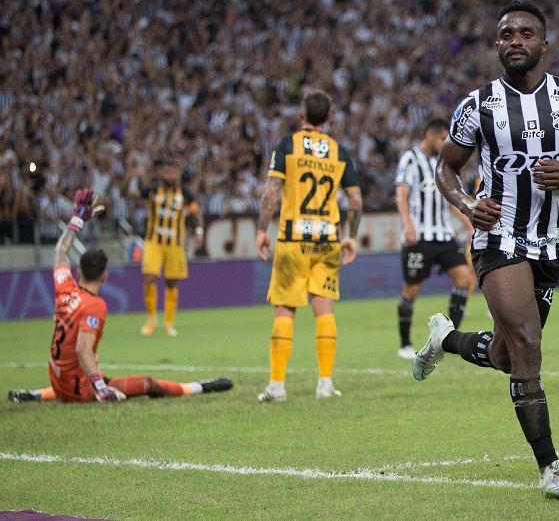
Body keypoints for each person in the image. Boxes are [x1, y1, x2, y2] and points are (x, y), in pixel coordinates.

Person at [413, 0, 559, 499]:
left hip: (550, 242)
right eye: (506, 34)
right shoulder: (478, 106)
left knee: (504, 353)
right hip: (498, 237)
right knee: (528, 345)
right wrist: (464, 203)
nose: (515, 40)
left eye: (525, 33)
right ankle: (551, 470)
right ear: (497, 45)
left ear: (544, 44)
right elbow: (446, 167)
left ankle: (445, 339)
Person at [7, 188, 232, 404]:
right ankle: (199, 386)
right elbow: (82, 349)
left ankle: (37, 394)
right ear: (104, 277)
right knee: (147, 383)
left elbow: (60, 251)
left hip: (58, 382)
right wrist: (100, 388)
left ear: (78, 272)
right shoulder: (95, 306)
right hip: (79, 390)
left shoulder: (65, 288)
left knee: (80, 371)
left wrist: (77, 220)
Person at [255, 89, 362, 402]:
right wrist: (351, 236)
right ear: (329, 118)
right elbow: (354, 198)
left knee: (285, 311)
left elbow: (272, 191)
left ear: (302, 115)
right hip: (327, 239)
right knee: (324, 311)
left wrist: (262, 230)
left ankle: (276, 387)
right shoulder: (339, 151)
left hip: (292, 239)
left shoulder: (287, 145)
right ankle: (325, 385)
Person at [394, 118, 476, 359]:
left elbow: (452, 202)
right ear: (431, 135)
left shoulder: (444, 164)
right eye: (443, 138)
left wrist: (469, 225)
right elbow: (401, 194)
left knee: (463, 277)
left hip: (443, 234)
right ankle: (405, 344)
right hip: (419, 236)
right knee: (411, 289)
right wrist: (408, 223)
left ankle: (450, 338)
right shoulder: (410, 159)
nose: (445, 143)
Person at [127, 156, 205, 337]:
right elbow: (127, 194)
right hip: (154, 242)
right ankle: (151, 319)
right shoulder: (153, 191)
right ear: (161, 173)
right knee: (149, 278)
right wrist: (130, 178)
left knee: (172, 282)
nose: (170, 174)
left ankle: (169, 324)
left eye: (173, 171)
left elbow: (195, 213)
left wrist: (199, 231)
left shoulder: (185, 195)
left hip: (175, 245)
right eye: (166, 171)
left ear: (178, 174)